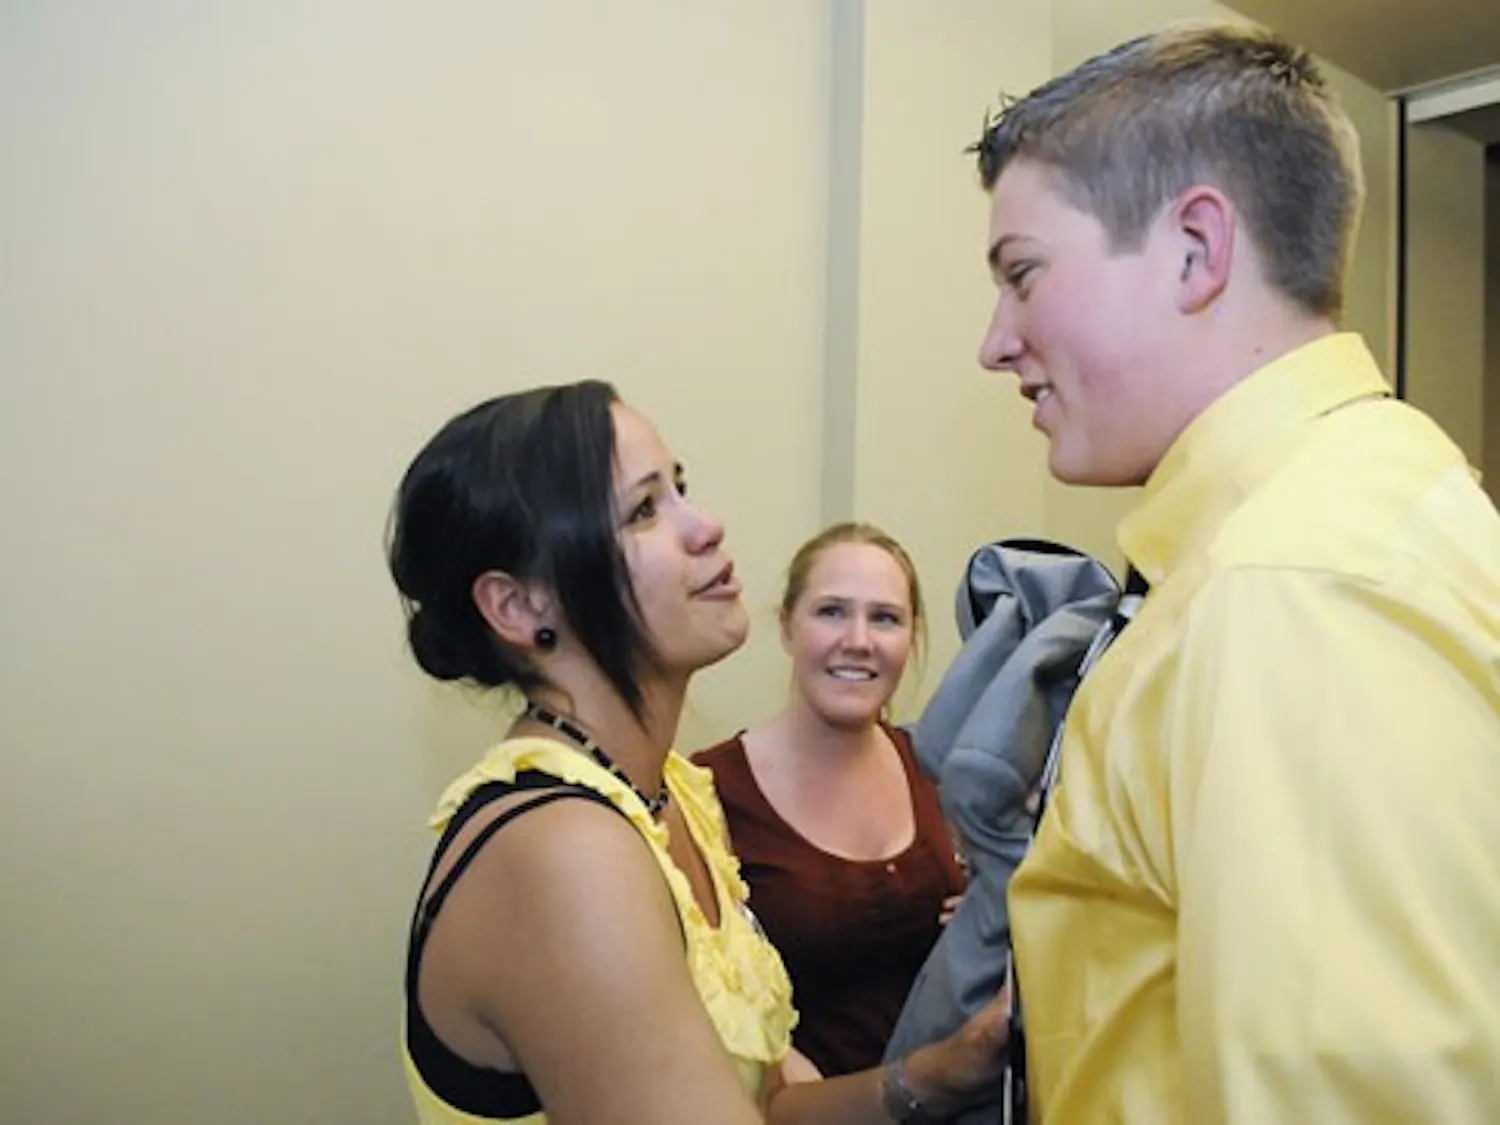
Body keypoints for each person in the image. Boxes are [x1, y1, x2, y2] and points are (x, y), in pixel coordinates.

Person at [971, 20, 1500, 1125]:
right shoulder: (1323, 522)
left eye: (1023, 275)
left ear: (1197, 251)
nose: (997, 340)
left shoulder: (1292, 583)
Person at [386, 379, 1007, 1125]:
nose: (706, 525)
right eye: (645, 509)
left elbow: (766, 1101)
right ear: (521, 607)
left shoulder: (670, 793)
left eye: (682, 489)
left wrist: (937, 1073)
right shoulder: (563, 847)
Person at [697, 523, 967, 1079]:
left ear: (912, 637)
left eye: (885, 618)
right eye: (832, 612)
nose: (859, 640)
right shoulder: (706, 792)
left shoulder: (936, 769)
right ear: (787, 627)